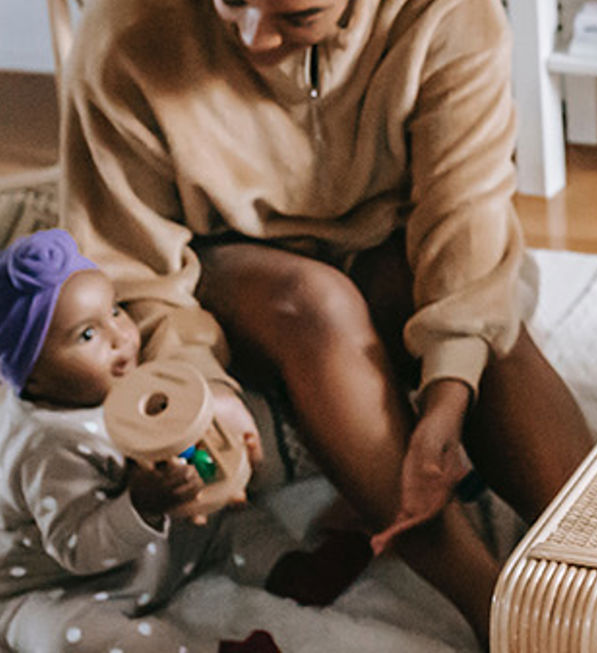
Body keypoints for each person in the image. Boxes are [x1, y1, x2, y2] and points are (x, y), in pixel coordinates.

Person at [61, 0, 595, 645]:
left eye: (297, 16)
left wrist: (448, 393)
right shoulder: (134, 17)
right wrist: (199, 391)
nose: (253, 37)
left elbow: (466, 221)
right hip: (238, 269)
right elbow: (129, 262)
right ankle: (493, 605)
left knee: (491, 340)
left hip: (396, 243)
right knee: (317, 299)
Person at [0, 228, 365, 653]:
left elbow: (174, 440)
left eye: (116, 310)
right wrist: (140, 505)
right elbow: (78, 548)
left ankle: (293, 570)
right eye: (87, 335)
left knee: (229, 520)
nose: (120, 336)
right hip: (71, 585)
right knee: (71, 638)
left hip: (154, 548)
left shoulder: (112, 377)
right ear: (35, 376)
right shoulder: (47, 447)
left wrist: (206, 472)